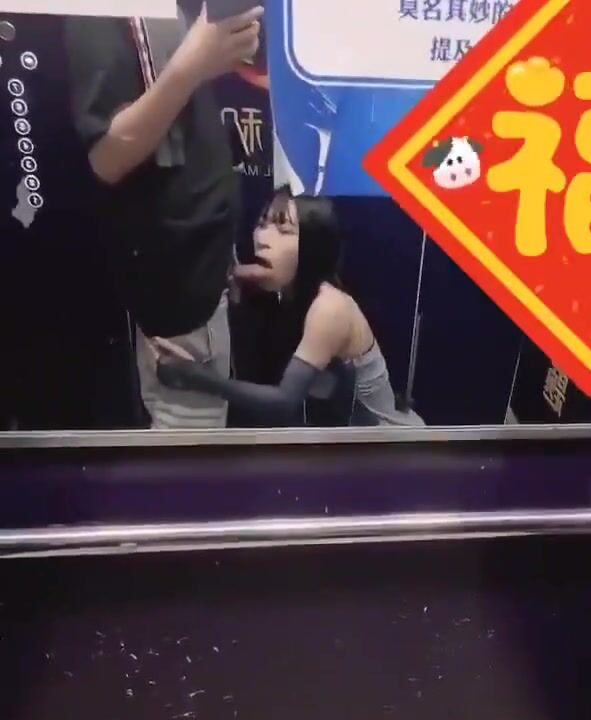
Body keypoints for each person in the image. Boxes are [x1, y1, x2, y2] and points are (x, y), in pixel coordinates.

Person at [64, 5, 263, 428]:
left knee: (198, 431)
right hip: (176, 274)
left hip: (201, 259)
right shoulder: (100, 14)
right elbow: (106, 156)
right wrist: (194, 65)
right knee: (190, 440)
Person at [153, 186, 425, 427]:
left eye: (283, 230)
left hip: (392, 448)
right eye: (262, 224)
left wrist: (193, 376)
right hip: (345, 445)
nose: (262, 238)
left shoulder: (330, 307)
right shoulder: (289, 294)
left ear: (311, 246)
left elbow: (283, 403)